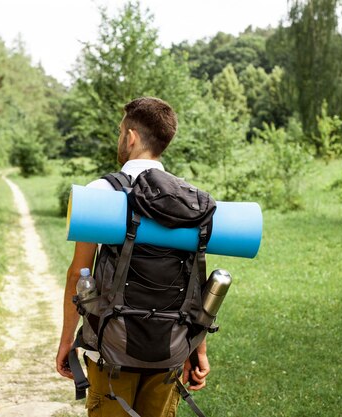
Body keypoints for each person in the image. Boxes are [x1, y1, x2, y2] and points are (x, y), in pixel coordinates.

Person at [56, 97, 210, 417]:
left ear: (131, 137)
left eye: (120, 131)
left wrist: (67, 340)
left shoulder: (100, 193)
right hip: (169, 349)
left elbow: (78, 274)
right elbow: (195, 281)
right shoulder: (190, 200)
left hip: (109, 350)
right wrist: (198, 349)